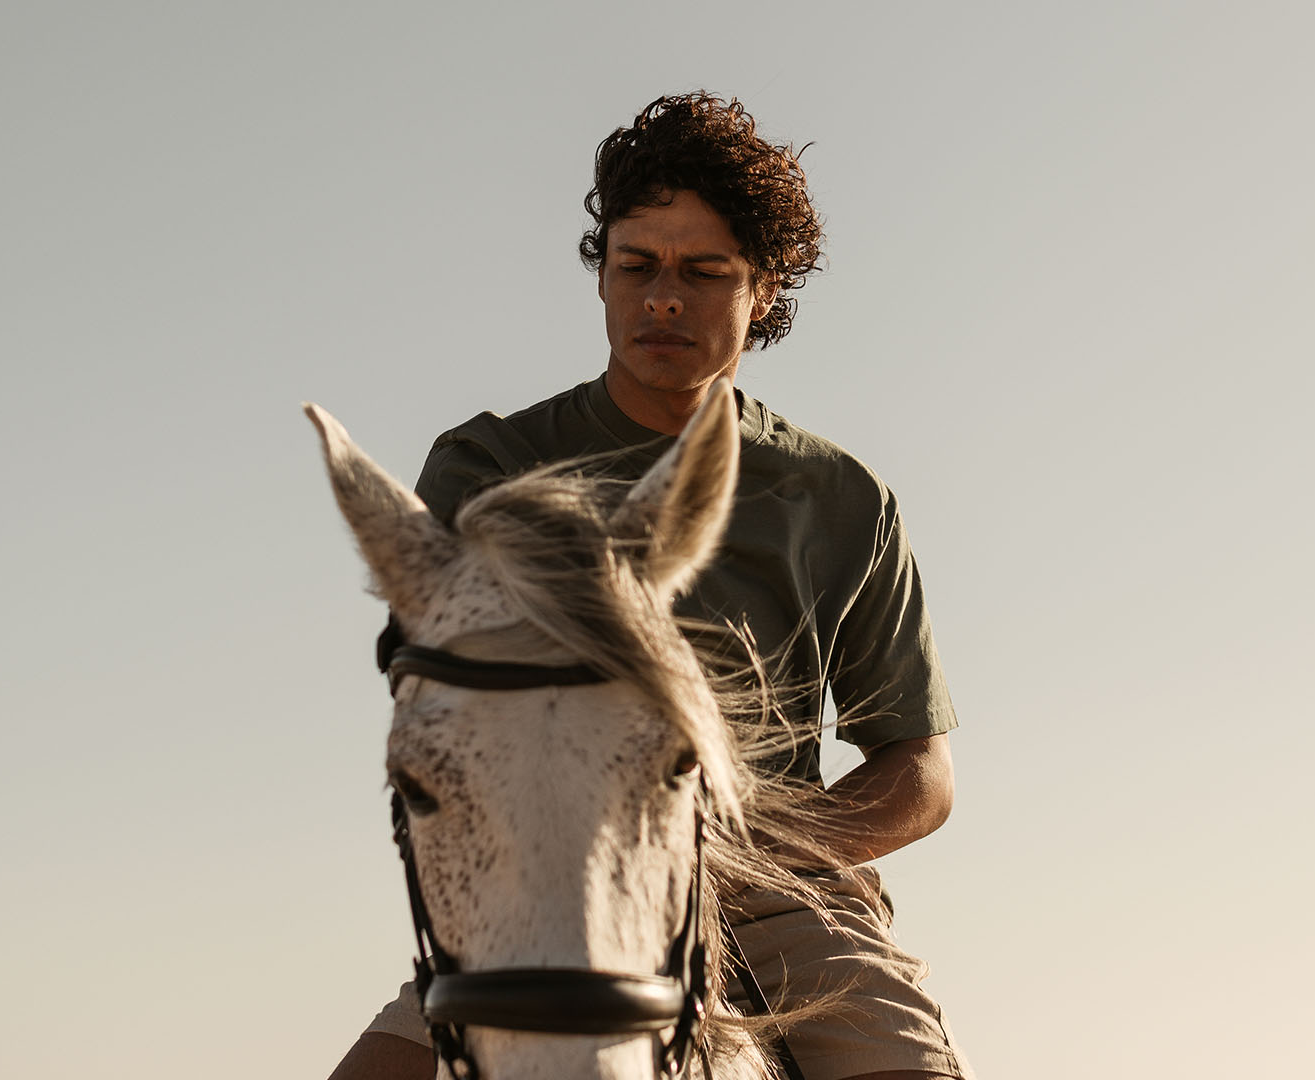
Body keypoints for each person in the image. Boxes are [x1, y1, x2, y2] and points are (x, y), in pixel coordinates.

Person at [328, 92, 970, 1080]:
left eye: (705, 272)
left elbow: (919, 775)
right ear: (603, 277)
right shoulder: (487, 463)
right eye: (636, 266)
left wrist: (738, 839)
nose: (663, 297)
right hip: (543, 886)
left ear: (765, 292)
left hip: (782, 902)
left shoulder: (839, 497)